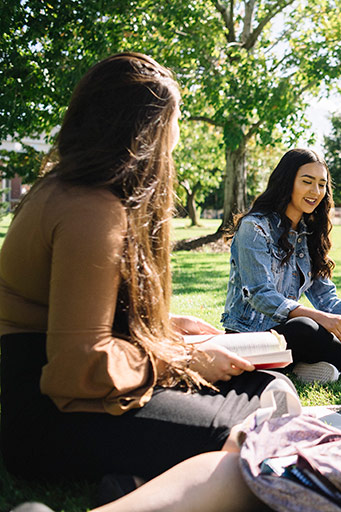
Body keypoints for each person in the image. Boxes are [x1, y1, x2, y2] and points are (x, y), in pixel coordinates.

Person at [0, 53, 279, 488]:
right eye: (175, 123)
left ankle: (132, 476)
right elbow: (77, 365)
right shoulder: (89, 209)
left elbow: (78, 315)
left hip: (84, 391)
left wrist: (164, 327)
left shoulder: (75, 194)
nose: (178, 139)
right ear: (145, 134)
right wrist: (186, 359)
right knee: (253, 432)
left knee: (262, 390)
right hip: (50, 414)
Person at [221, 148, 341, 384]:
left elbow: (328, 302)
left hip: (286, 336)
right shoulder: (254, 228)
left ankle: (301, 366)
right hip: (250, 338)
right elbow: (261, 295)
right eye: (307, 182)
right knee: (307, 327)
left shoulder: (308, 234)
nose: (315, 191)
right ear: (287, 182)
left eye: (321, 184)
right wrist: (322, 319)